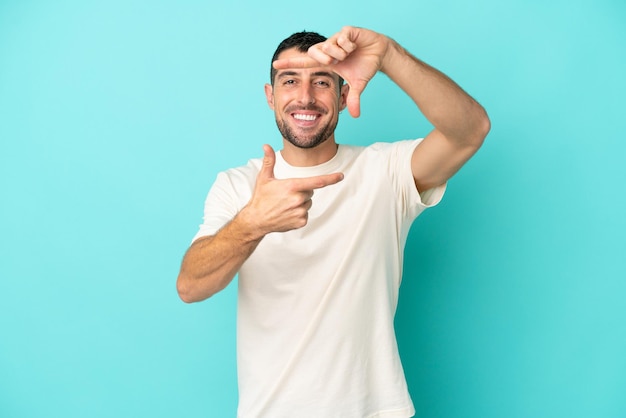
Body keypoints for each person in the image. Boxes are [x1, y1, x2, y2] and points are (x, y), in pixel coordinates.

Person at [177, 26, 490, 418]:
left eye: (321, 81)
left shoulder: (385, 172)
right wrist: (252, 224)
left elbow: (470, 131)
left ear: (344, 96)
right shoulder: (238, 186)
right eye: (290, 81)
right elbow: (190, 285)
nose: (305, 97)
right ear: (270, 96)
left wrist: (389, 55)